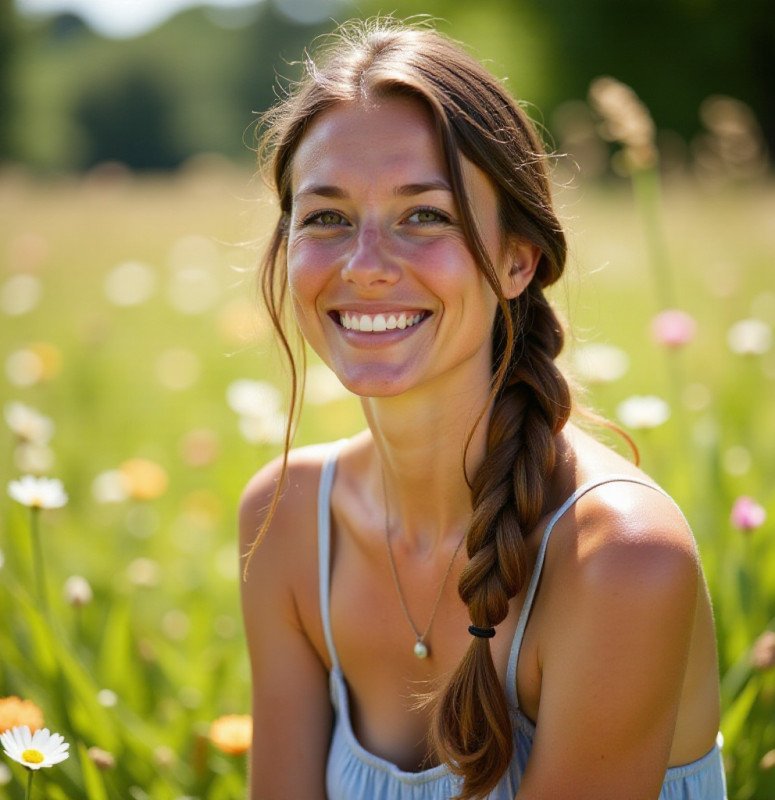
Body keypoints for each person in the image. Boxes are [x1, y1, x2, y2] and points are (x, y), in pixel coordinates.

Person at [238, 17, 726, 800]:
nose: (364, 268)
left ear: (515, 261)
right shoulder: (286, 516)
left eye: (423, 215)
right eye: (325, 217)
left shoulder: (623, 558)